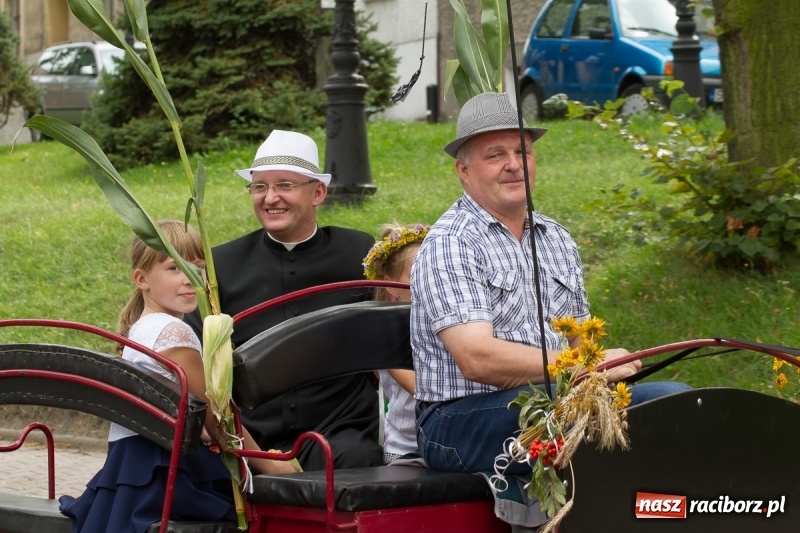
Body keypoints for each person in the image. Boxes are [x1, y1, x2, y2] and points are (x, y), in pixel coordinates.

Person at [411, 92, 691, 477]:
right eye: (495, 155)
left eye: (522, 152)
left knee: (676, 404)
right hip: (457, 420)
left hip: (553, 396)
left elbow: (579, 340)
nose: (513, 166)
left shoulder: (556, 238)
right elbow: (476, 358)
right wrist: (582, 369)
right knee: (599, 424)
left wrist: (605, 367)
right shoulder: (451, 243)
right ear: (464, 170)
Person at [59, 220, 296, 533]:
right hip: (166, 475)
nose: (189, 278)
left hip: (134, 466)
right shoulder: (172, 332)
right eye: (174, 268)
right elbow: (217, 416)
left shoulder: (142, 328)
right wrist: (266, 462)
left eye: (197, 266)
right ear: (141, 279)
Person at [186, 130, 382, 471]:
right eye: (259, 187)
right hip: (252, 439)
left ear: (317, 192)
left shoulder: (358, 253)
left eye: (285, 186)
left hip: (339, 434)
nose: (270, 198)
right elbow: (194, 351)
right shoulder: (222, 265)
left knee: (359, 465)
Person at [363, 223, 429, 465]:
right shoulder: (383, 335)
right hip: (408, 449)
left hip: (455, 441)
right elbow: (424, 389)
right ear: (391, 285)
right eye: (418, 274)